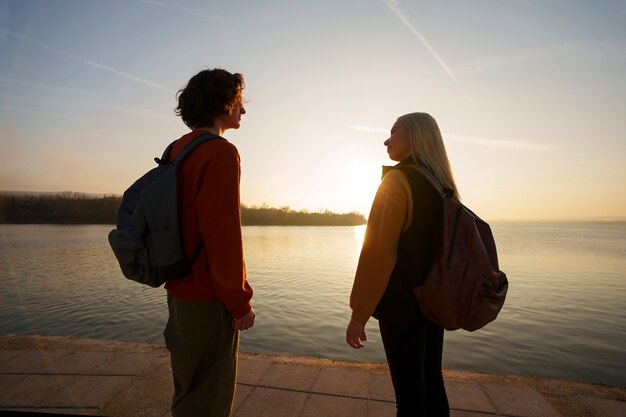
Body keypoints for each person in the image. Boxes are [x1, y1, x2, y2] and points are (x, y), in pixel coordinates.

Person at [346, 112, 459, 417]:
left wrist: (360, 313)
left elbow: (378, 253)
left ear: (415, 137)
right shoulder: (442, 186)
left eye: (394, 131)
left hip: (401, 307)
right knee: (432, 387)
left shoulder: (398, 180)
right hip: (433, 302)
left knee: (409, 397)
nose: (387, 139)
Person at [163, 68, 255, 417]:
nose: (243, 111)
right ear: (224, 103)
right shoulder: (220, 152)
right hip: (208, 295)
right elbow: (223, 236)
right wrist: (239, 302)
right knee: (210, 400)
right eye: (239, 102)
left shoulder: (177, 149)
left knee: (187, 389)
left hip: (178, 289)